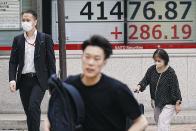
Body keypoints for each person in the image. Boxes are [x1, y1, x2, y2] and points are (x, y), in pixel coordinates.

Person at [44, 35, 148, 131]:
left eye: (96, 59)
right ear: (82, 57)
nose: (90, 63)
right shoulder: (69, 85)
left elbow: (141, 121)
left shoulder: (117, 89)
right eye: (87, 57)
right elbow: (51, 115)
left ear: (104, 62)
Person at [9, 10, 56, 131]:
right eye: (23, 20)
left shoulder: (45, 39)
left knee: (33, 107)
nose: (25, 22)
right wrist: (12, 79)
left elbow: (51, 62)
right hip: (23, 80)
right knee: (29, 112)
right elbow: (13, 62)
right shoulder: (17, 39)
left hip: (39, 80)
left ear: (35, 21)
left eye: (28, 20)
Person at [135, 49, 182, 131]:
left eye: (159, 61)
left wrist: (178, 103)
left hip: (169, 103)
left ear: (165, 60)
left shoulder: (170, 72)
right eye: (155, 61)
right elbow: (145, 80)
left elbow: (175, 88)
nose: (157, 63)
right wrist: (139, 86)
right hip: (157, 102)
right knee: (159, 121)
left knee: (162, 121)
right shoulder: (152, 70)